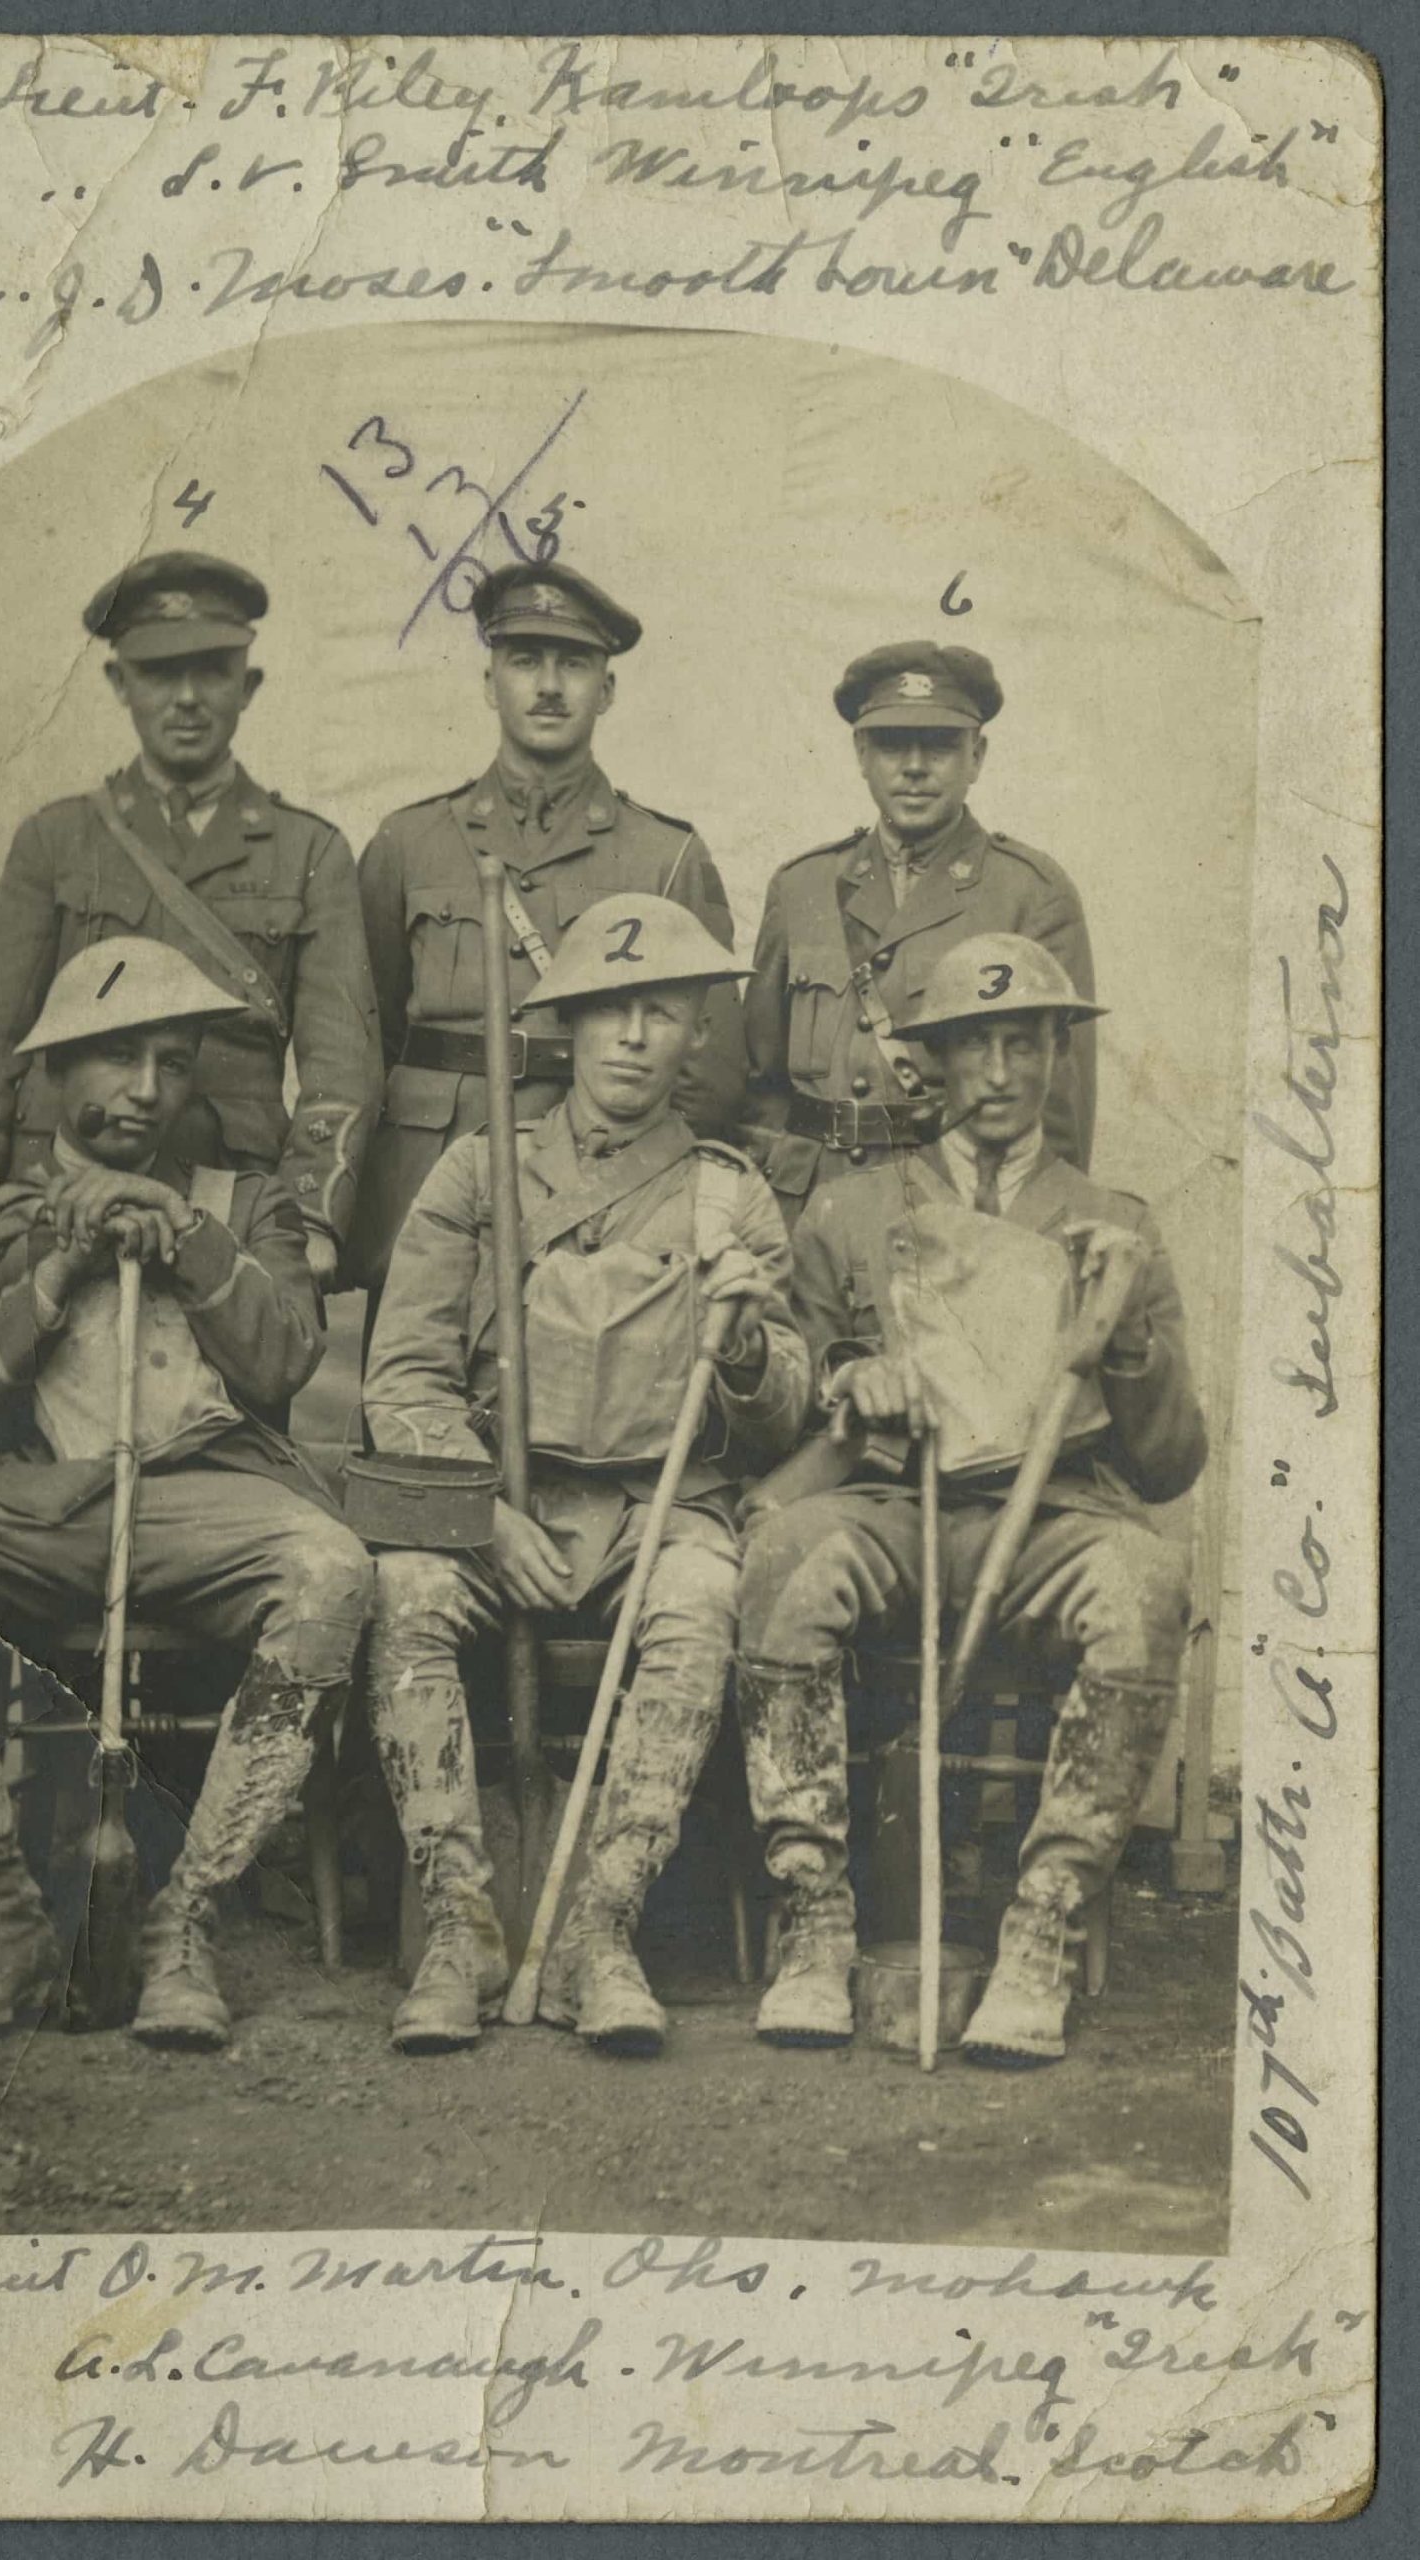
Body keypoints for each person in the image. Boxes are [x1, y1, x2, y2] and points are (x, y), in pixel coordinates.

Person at [0, 939, 374, 2050]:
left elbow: (282, 1363)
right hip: (38, 1506)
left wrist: (184, 1237)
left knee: (331, 1570)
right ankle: (7, 1921)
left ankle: (186, 1922)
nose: (146, 1089)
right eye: (117, 1056)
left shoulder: (244, 1200)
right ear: (50, 1069)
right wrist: (53, 1274)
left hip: (206, 1498)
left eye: (172, 1063)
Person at [734, 935, 1205, 2061]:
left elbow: (1169, 1464)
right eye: (973, 1045)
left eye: (1023, 1043)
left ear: (1056, 1055)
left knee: (1144, 1582)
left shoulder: (1115, 1223)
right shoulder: (850, 1209)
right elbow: (785, 1408)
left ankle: (1044, 1923)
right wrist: (851, 1378)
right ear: (931, 1061)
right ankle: (815, 1916)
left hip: (1053, 1519)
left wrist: (1127, 1334)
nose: (998, 1072)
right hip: (896, 1503)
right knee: (786, 1558)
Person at [362, 894, 809, 2058]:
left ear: (696, 1032)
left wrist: (746, 1347)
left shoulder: (727, 1192)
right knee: (405, 1592)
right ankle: (459, 1926)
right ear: (565, 1022)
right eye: (610, 1009)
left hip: (659, 1509)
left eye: (661, 1011)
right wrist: (477, 1511)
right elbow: (403, 1374)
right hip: (499, 1503)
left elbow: (786, 1415)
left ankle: (602, 1926)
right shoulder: (479, 1172)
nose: (633, 1036)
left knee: (705, 1597)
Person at [0, 551, 381, 1287]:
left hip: (226, 1199)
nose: (187, 698)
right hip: (56, 1194)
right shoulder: (57, 842)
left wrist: (310, 1221)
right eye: (161, 673)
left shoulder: (310, 852)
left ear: (248, 685)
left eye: (212, 671)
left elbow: (341, 1067)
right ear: (119, 683)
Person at [347, 560, 748, 1288]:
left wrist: (635, 1197)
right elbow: (366, 1036)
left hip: (596, 1199)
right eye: (525, 660)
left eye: (575, 663)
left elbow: (707, 1070)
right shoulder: (410, 843)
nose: (550, 685)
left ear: (608, 690)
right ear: (489, 681)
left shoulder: (665, 856)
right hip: (426, 1188)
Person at [742, 642, 1097, 1227]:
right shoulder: (802, 886)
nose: (913, 767)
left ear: (976, 756)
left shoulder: (1030, 893)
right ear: (861, 753)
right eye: (891, 744)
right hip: (806, 1216)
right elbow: (760, 1089)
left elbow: (1057, 1116)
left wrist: (1016, 1249)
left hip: (947, 1218)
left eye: (939, 745)